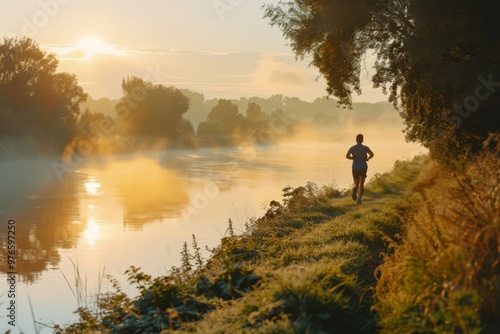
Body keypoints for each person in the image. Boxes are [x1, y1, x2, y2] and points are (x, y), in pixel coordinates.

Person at [346, 134, 374, 204]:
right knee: (361, 184)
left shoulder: (352, 148)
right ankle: (359, 200)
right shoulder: (365, 148)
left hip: (355, 167)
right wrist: (368, 158)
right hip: (363, 167)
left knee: (356, 184)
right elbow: (372, 154)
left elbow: (347, 156)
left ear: (356, 140)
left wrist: (353, 158)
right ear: (362, 140)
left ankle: (354, 191)